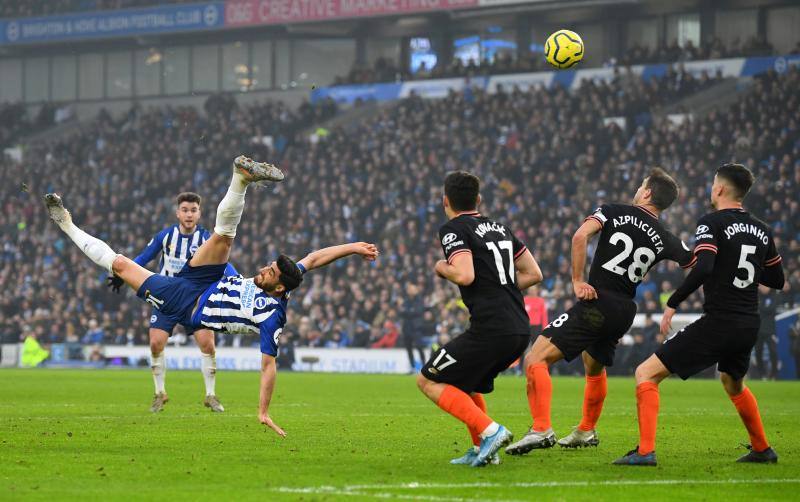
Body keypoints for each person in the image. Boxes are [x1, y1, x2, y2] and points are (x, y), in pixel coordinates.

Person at [44, 155, 379, 436]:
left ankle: (66, 225)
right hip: (207, 278)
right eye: (268, 266)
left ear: (279, 288)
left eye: (270, 273)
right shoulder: (285, 277)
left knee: (119, 264)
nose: (263, 269)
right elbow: (315, 258)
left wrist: (263, 411)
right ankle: (241, 178)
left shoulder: (272, 318)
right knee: (224, 235)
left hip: (187, 302)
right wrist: (352, 247)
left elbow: (268, 367)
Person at [506, 168, 693, 455]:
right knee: (594, 366)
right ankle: (586, 430)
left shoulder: (613, 211)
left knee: (535, 359)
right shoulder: (666, 237)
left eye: (641, 185)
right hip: (624, 310)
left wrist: (577, 281)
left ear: (647, 193)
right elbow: (695, 264)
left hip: (598, 299)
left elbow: (580, 237)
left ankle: (541, 427)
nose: (637, 189)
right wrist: (677, 299)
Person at [615, 163, 785, 466]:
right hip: (749, 322)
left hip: (720, 321)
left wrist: (674, 302)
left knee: (646, 373)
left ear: (719, 189)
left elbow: (704, 265)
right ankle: (762, 448)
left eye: (712, 184)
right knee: (733, 383)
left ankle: (645, 452)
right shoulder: (762, 230)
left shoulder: (712, 222)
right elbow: (777, 279)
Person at [416, 171, 543, 467]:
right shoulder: (501, 228)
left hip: (492, 328)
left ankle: (491, 431)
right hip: (518, 328)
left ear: (445, 200)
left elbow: (464, 274)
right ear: (479, 199)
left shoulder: (453, 229)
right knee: (465, 384)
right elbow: (534, 274)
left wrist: (440, 267)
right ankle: (483, 450)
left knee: (428, 379)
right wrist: (500, 287)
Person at [107, 191, 236, 413]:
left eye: (193, 210)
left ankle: (211, 395)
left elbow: (224, 264)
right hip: (166, 298)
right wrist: (122, 274)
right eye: (185, 210)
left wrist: (237, 281)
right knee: (156, 343)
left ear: (199, 213)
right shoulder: (165, 237)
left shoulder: (205, 239)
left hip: (195, 300)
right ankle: (159, 393)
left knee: (207, 344)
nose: (189, 214)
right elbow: (143, 258)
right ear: (177, 213)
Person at [400, 282, 426, 372]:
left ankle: (424, 366)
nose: (410, 290)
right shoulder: (406, 301)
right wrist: (409, 311)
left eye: (412, 289)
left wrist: (407, 311)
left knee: (419, 347)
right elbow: (401, 312)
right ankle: (412, 367)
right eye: (409, 289)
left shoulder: (419, 300)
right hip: (406, 328)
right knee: (409, 348)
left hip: (416, 328)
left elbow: (418, 312)